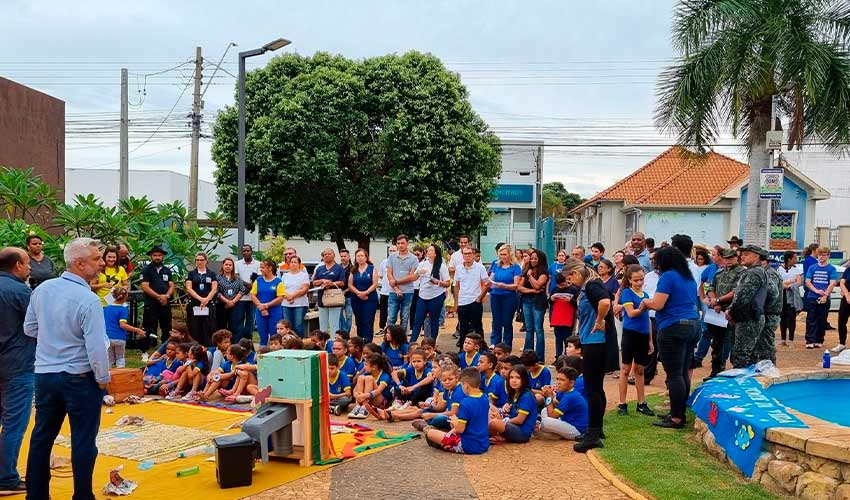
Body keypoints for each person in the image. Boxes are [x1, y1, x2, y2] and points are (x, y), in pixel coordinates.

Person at [24, 238, 111, 500]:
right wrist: (103, 378)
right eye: (96, 259)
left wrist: (54, 336)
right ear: (80, 263)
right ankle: (82, 495)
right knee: (83, 440)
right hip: (79, 377)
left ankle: (36, 495)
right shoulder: (88, 299)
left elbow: (29, 328)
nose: (101, 263)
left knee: (41, 437)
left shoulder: (43, 290)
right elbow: (96, 347)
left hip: (46, 374)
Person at [643, 247, 699, 430]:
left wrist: (645, 302)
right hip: (692, 325)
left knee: (674, 374)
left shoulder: (668, 277)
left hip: (673, 327)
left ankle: (676, 417)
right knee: (682, 372)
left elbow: (658, 304)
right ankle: (679, 411)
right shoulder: (688, 277)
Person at [562, 258, 611, 452]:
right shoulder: (590, 285)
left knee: (593, 389)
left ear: (576, 273)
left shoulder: (591, 285)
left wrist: (599, 320)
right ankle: (596, 430)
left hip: (595, 343)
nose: (569, 282)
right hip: (592, 341)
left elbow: (605, 302)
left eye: (569, 278)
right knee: (596, 388)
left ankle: (593, 433)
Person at [0, 248, 32, 495]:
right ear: (18, 265)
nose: (30, 268)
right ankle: (6, 478)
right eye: (28, 263)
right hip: (17, 364)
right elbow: (37, 325)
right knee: (14, 423)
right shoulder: (20, 291)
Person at [422, 367, 490, 455]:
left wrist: (454, 422)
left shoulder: (465, 403)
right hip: (484, 444)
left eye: (461, 385)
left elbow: (460, 429)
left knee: (430, 433)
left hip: (468, 446)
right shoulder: (484, 397)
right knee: (440, 431)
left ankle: (445, 445)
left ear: (466, 385)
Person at [616, 265, 654, 417]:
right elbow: (631, 313)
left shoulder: (644, 294)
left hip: (643, 335)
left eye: (641, 279)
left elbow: (648, 320)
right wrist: (644, 305)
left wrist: (650, 340)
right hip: (630, 334)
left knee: (640, 369)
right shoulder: (627, 293)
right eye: (636, 280)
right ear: (630, 280)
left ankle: (641, 402)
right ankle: (622, 403)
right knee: (625, 369)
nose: (639, 283)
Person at [704, 248, 743, 379]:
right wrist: (715, 302)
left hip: (733, 312)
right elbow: (710, 288)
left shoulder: (742, 272)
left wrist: (718, 300)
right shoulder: (719, 272)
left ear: (736, 258)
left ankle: (735, 373)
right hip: (718, 313)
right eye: (726, 258)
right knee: (717, 343)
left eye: (731, 258)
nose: (729, 261)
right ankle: (716, 372)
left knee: (735, 344)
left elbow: (736, 292)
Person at [728, 246, 769, 367]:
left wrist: (730, 311)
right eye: (742, 254)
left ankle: (742, 384)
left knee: (741, 356)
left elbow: (742, 298)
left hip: (748, 318)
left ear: (756, 256)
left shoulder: (753, 273)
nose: (742, 256)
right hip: (752, 316)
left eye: (746, 254)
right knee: (751, 355)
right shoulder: (758, 271)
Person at [488, 364, 538, 444]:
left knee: (494, 423)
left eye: (518, 378)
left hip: (522, 432)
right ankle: (496, 436)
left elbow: (519, 420)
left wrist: (504, 420)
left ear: (524, 379)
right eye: (511, 377)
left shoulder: (527, 395)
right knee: (490, 413)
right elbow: (511, 413)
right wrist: (503, 411)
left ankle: (494, 436)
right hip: (511, 424)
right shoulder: (514, 393)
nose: (514, 380)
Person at [536, 366, 588, 441]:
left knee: (545, 421)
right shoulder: (567, 392)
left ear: (571, 383)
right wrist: (552, 394)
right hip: (568, 422)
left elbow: (552, 416)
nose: (558, 382)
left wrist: (549, 396)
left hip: (578, 431)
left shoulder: (570, 396)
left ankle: (546, 430)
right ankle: (557, 435)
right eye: (557, 379)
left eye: (562, 380)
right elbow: (556, 405)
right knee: (544, 410)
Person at [410, 244, 450, 342]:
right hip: (423, 295)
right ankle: (412, 342)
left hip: (436, 296)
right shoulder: (423, 264)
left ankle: (432, 343)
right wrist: (418, 273)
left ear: (436, 253)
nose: (428, 251)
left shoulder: (441, 266)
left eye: (431, 250)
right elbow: (414, 277)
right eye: (428, 250)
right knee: (418, 320)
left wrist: (437, 282)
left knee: (434, 321)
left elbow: (448, 283)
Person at [453, 245, 489, 348]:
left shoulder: (480, 267)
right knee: (463, 327)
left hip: (475, 301)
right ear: (462, 255)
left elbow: (487, 284)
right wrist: (456, 303)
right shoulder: (459, 268)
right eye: (465, 254)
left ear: (473, 255)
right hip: (462, 301)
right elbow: (456, 286)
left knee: (477, 326)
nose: (467, 255)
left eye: (469, 253)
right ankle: (463, 348)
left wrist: (480, 297)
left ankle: (481, 347)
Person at [804, 246, 838, 349]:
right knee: (811, 318)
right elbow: (807, 281)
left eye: (824, 255)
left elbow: (832, 283)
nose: (821, 257)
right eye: (820, 255)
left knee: (822, 319)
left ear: (828, 256)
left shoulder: (831, 269)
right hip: (812, 296)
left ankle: (819, 339)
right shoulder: (812, 267)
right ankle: (810, 340)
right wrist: (816, 291)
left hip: (825, 298)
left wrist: (825, 295)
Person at [489, 244, 523, 348]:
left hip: (509, 296)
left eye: (504, 254)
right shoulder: (496, 265)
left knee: (507, 321)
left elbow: (516, 285)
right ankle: (495, 343)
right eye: (501, 254)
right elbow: (491, 278)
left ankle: (507, 345)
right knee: (496, 321)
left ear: (510, 255)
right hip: (495, 295)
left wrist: (505, 286)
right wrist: (490, 282)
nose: (502, 257)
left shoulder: (516, 267)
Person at [518, 248, 549, 360]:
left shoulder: (544, 272)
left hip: (538, 302)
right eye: (531, 258)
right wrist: (531, 291)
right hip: (527, 300)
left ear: (540, 259)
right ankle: (527, 356)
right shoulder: (526, 270)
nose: (533, 260)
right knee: (529, 328)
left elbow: (538, 285)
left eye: (535, 258)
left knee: (538, 329)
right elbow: (519, 287)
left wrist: (530, 277)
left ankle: (540, 357)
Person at [104, 286, 145, 368]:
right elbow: (122, 325)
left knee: (109, 359)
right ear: (125, 297)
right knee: (120, 358)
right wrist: (137, 330)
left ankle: (108, 376)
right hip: (119, 337)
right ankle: (121, 375)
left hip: (107, 337)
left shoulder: (106, 308)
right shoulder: (123, 309)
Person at [140, 245, 174, 343]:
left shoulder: (167, 270)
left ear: (163, 256)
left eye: (159, 255)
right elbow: (145, 286)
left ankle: (166, 349)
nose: (157, 257)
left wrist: (166, 296)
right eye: (155, 255)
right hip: (151, 303)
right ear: (151, 256)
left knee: (167, 327)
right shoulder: (146, 270)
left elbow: (171, 285)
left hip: (165, 303)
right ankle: (144, 351)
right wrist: (159, 296)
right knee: (147, 327)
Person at [386, 235, 419, 333]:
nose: (400, 245)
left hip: (408, 292)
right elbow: (389, 274)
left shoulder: (413, 258)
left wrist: (396, 281)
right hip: (393, 291)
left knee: (404, 318)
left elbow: (412, 277)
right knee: (391, 318)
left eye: (402, 243)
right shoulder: (392, 257)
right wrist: (396, 288)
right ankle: (389, 338)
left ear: (407, 244)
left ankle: (402, 340)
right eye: (398, 243)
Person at [185, 252, 218, 346]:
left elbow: (214, 288)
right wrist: (201, 299)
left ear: (206, 261)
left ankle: (208, 347)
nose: (199, 262)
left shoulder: (211, 274)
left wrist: (206, 300)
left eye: (201, 260)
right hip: (195, 304)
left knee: (208, 327)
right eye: (197, 260)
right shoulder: (191, 274)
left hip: (208, 304)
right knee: (195, 326)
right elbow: (189, 288)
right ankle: (195, 346)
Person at [251, 259, 286, 347]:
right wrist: (261, 306)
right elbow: (252, 294)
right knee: (262, 335)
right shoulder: (258, 280)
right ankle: (262, 353)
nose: (261, 269)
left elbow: (280, 297)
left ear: (270, 268)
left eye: (263, 267)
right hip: (260, 312)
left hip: (275, 312)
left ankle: (276, 352)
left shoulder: (278, 281)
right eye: (260, 268)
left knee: (274, 335)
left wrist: (266, 305)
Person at [313, 248, 346, 335]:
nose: (326, 256)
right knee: (323, 325)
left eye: (329, 254)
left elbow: (342, 282)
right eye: (325, 254)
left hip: (334, 299)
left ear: (334, 255)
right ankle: (322, 344)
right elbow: (314, 282)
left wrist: (330, 283)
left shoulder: (339, 268)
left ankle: (334, 344)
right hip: (322, 298)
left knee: (334, 324)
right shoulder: (320, 268)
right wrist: (322, 280)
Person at [348, 248, 379, 343]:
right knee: (359, 320)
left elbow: (375, 283)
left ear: (366, 257)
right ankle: (360, 341)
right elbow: (350, 284)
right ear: (355, 258)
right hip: (356, 298)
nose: (360, 258)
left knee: (368, 321)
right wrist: (358, 293)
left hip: (370, 298)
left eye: (362, 256)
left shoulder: (372, 268)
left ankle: (368, 341)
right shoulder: (353, 270)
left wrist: (366, 292)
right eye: (358, 256)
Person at [759, 251, 782, 364]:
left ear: (764, 261)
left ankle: (770, 368)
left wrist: (762, 308)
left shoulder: (770, 274)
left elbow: (773, 294)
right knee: (763, 344)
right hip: (767, 313)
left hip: (770, 314)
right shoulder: (765, 272)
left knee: (766, 344)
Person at [234, 245, 261, 342]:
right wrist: (248, 286)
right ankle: (239, 341)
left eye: (248, 250)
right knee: (239, 320)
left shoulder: (257, 264)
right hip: (240, 298)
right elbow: (237, 278)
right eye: (244, 251)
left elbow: (258, 279)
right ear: (242, 252)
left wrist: (249, 289)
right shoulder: (237, 264)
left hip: (252, 298)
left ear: (251, 252)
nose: (246, 252)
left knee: (250, 321)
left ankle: (248, 341)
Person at [550, 273, 579, 360]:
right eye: (559, 285)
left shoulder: (573, 289)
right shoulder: (555, 289)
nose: (561, 287)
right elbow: (550, 302)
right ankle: (558, 357)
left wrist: (571, 300)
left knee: (568, 339)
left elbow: (577, 304)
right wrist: (552, 298)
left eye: (562, 285)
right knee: (558, 339)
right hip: (557, 317)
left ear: (566, 281)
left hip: (568, 318)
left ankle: (568, 357)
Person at [778, 251, 803, 347]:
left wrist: (788, 285)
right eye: (795, 258)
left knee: (791, 317)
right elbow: (779, 282)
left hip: (792, 296)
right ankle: (783, 339)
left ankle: (791, 340)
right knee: (782, 318)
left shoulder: (796, 269)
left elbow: (798, 281)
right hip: (782, 296)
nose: (796, 260)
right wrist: (790, 282)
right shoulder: (780, 269)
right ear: (789, 259)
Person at [281, 255, 310, 337]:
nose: (293, 264)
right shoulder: (285, 276)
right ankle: (288, 343)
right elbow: (281, 289)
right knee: (288, 326)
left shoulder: (304, 275)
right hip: (286, 304)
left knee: (298, 325)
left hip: (300, 304)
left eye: (295, 262)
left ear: (299, 264)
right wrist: (288, 297)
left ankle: (298, 343)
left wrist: (292, 296)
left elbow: (304, 289)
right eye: (291, 262)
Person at [216, 257, 246, 334]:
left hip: (235, 305)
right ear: (223, 266)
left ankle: (233, 344)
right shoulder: (217, 278)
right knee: (221, 326)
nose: (228, 266)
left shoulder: (237, 278)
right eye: (226, 264)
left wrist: (232, 301)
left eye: (230, 265)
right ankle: (222, 344)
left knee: (234, 327)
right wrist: (227, 301)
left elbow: (242, 290)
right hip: (221, 305)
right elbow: (216, 292)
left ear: (233, 267)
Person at [377, 245, 397, 331]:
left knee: (393, 312)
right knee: (383, 311)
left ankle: (391, 329)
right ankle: (382, 328)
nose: (392, 252)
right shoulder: (384, 262)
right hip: (384, 291)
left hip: (394, 291)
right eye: (390, 250)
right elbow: (381, 276)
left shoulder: (400, 262)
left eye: (394, 250)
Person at [338, 249, 354, 334]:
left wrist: (345, 291)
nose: (343, 258)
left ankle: (346, 334)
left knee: (349, 316)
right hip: (338, 296)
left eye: (345, 256)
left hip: (349, 296)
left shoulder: (353, 268)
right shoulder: (337, 268)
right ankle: (342, 333)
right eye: (341, 256)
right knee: (339, 316)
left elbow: (354, 283)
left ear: (349, 257)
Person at [839, 265, 850, 353]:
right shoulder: (848, 270)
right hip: (846, 300)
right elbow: (842, 283)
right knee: (841, 321)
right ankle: (842, 344)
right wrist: (847, 295)